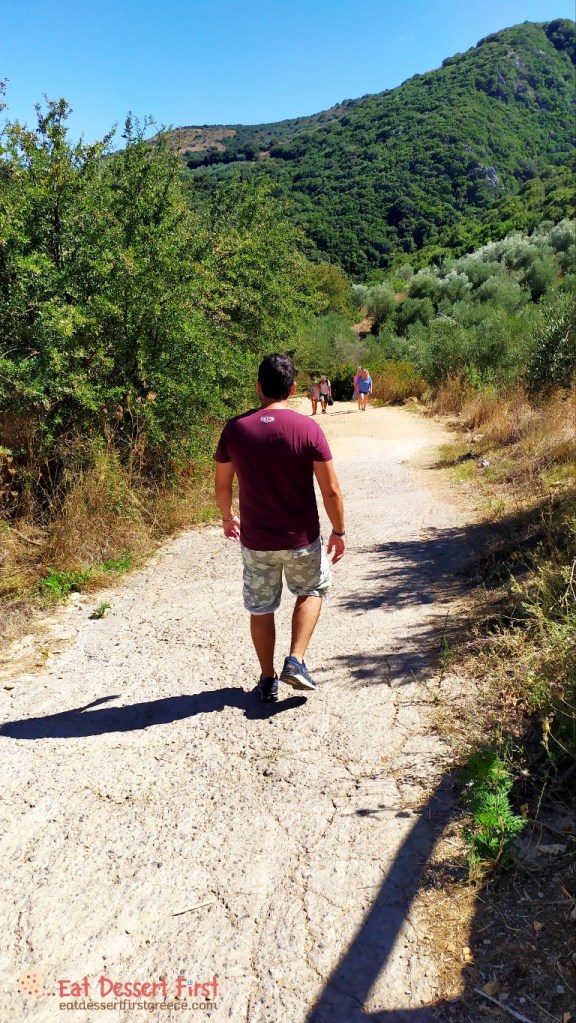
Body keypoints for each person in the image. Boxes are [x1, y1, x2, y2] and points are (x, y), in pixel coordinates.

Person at [214, 354, 346, 703]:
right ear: (292, 389)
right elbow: (331, 490)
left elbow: (223, 484)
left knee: (261, 607)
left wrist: (228, 517)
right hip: (301, 539)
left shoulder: (235, 429)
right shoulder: (308, 429)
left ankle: (268, 678)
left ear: (258, 387)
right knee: (313, 589)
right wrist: (338, 531)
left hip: (256, 541)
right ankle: (296, 660)